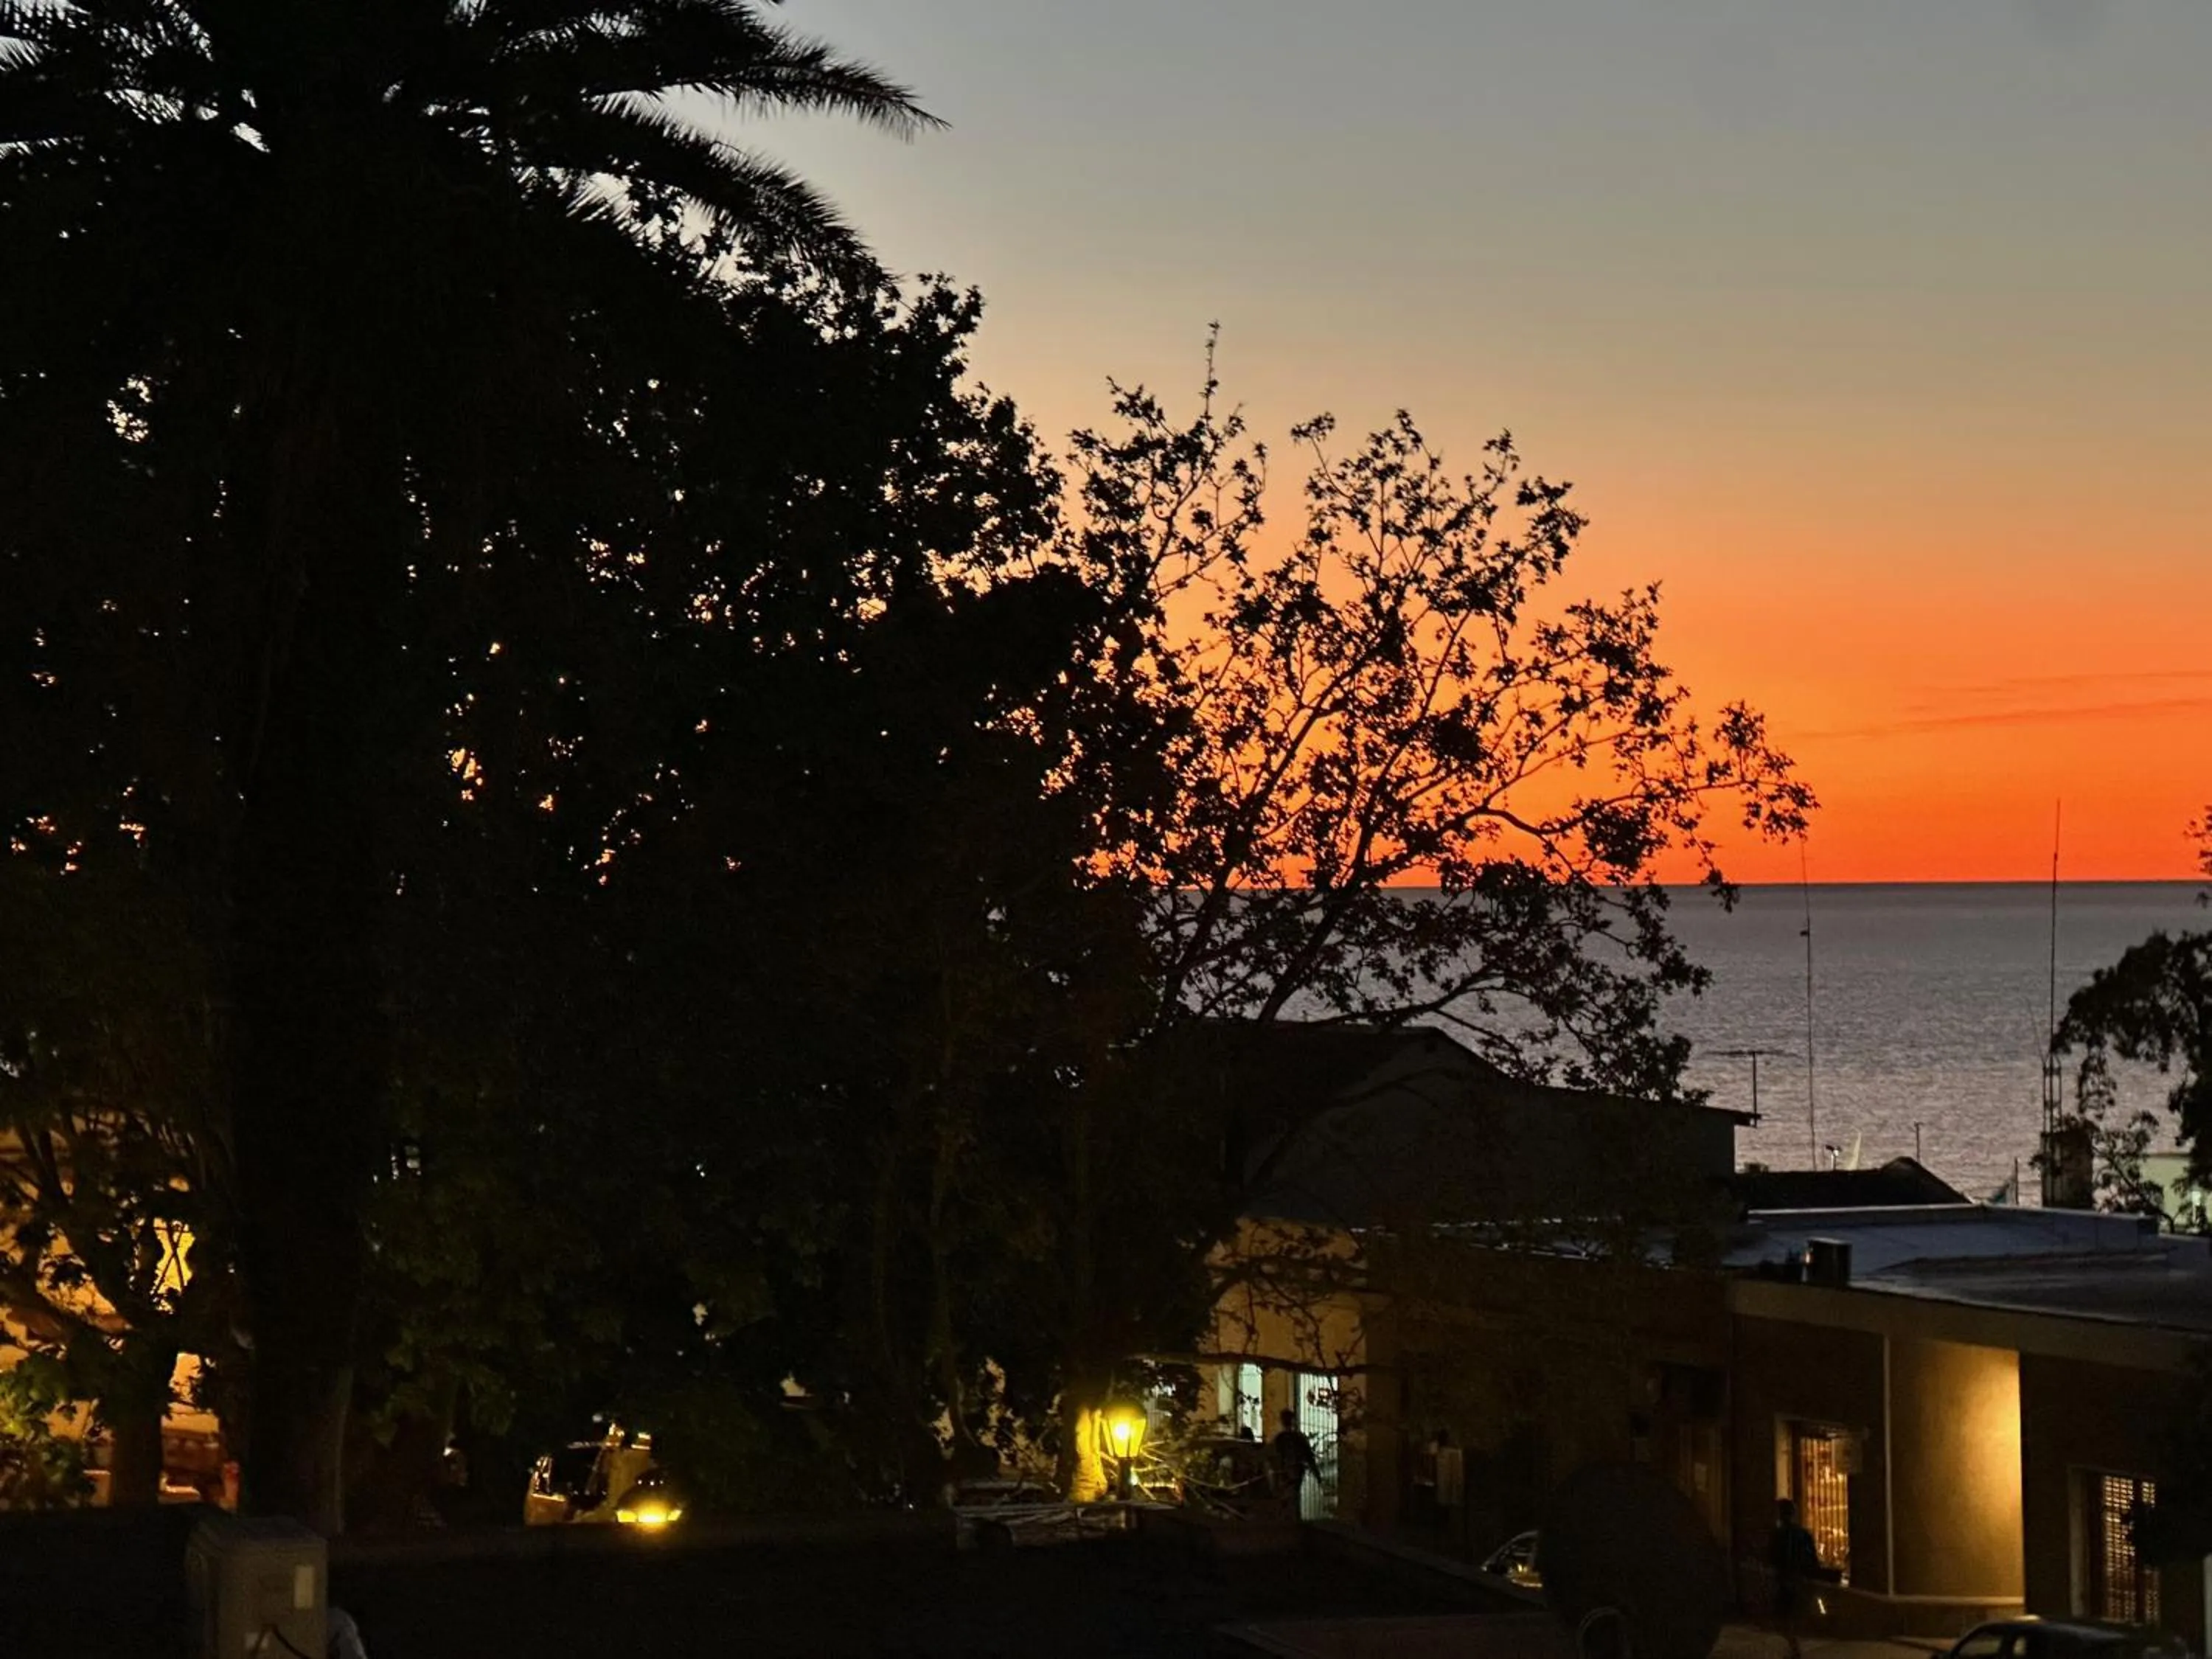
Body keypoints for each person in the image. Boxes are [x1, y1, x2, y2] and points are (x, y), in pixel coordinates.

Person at [1769, 1498, 1822, 1659]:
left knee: (1783, 1617)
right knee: (1793, 1616)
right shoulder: (1804, 1534)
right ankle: (1794, 1646)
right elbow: (1813, 1560)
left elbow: (1772, 1558)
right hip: (1800, 1581)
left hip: (1785, 1581)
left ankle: (1793, 1647)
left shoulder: (1778, 1535)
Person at [1270, 1408, 1319, 1515]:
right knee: (1294, 1496)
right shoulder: (1299, 1437)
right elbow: (1309, 1456)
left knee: (1284, 1497)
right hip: (1297, 1470)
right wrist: (1317, 1474)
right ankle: (1294, 1518)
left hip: (1284, 1471)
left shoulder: (1279, 1438)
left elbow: (1274, 1456)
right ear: (1293, 1421)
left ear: (1282, 1421)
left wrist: (1276, 1471)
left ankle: (1286, 1518)